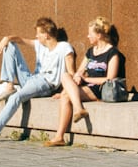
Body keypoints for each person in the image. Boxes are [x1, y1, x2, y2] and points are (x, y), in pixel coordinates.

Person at [0, 17, 75, 143]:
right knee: (10, 45)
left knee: (16, 98)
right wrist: (7, 38)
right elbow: (20, 40)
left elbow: (71, 74)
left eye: (38, 33)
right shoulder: (40, 45)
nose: (36, 36)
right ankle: (9, 85)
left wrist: (64, 92)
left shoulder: (64, 47)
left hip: (45, 84)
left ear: (46, 35)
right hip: (31, 78)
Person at [43, 16, 124, 147]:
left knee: (65, 97)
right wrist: (78, 77)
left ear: (99, 35)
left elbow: (110, 79)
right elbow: (79, 71)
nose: (87, 36)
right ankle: (78, 110)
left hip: (99, 89)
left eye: (90, 34)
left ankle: (60, 136)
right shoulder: (90, 52)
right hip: (85, 87)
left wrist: (86, 79)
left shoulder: (112, 53)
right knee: (65, 77)